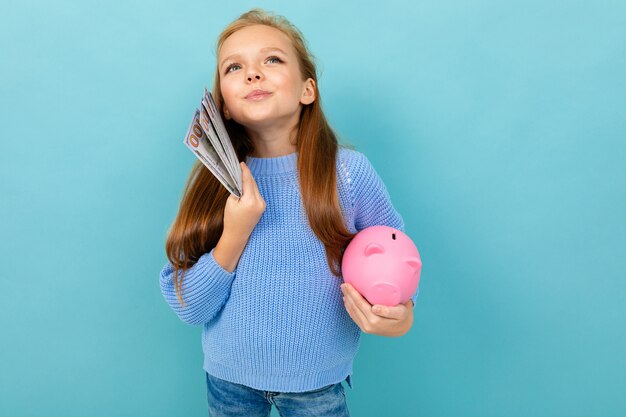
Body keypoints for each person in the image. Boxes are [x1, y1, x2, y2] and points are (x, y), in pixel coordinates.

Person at [159, 8, 418, 417]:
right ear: (222, 105)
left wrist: (400, 314)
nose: (253, 74)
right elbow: (190, 307)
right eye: (234, 67)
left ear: (307, 90)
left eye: (272, 59)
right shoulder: (214, 185)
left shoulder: (349, 175)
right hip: (229, 383)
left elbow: (396, 255)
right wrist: (235, 232)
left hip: (318, 385)